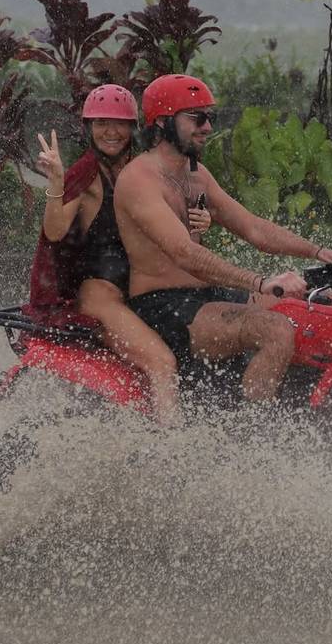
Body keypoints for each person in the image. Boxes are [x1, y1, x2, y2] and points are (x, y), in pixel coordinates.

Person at [114, 73, 332, 402]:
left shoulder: (195, 175)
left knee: (313, 305)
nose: (208, 127)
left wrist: (324, 253)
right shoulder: (139, 179)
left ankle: (306, 402)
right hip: (164, 307)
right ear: (161, 123)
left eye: (210, 118)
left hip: (205, 297)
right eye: (197, 118)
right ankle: (251, 435)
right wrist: (261, 283)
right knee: (276, 330)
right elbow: (184, 253)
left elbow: (254, 228)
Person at [29, 84, 211, 422]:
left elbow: (177, 236)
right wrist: (56, 183)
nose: (111, 132)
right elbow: (54, 232)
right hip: (103, 294)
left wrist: (201, 221)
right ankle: (173, 453)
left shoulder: (145, 170)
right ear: (89, 128)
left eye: (119, 123)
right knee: (161, 362)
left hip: (146, 289)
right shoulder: (85, 176)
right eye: (101, 124)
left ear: (133, 128)